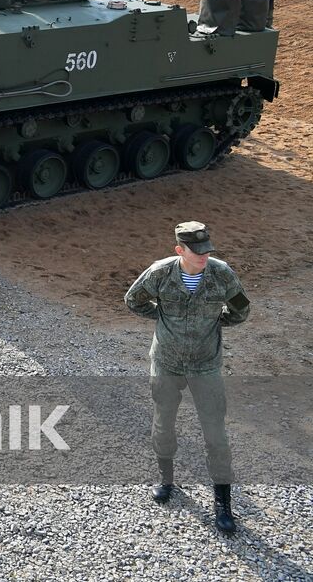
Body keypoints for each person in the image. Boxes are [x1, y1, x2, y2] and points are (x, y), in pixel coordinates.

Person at [125, 222, 251, 535]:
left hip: (205, 365)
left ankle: (223, 503)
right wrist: (165, 319)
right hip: (166, 361)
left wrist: (212, 324)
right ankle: (166, 479)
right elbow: (133, 300)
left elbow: (241, 310)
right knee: (163, 422)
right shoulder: (160, 272)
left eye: (207, 250)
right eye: (197, 252)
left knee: (216, 434)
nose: (204, 256)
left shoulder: (221, 274)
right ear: (179, 250)